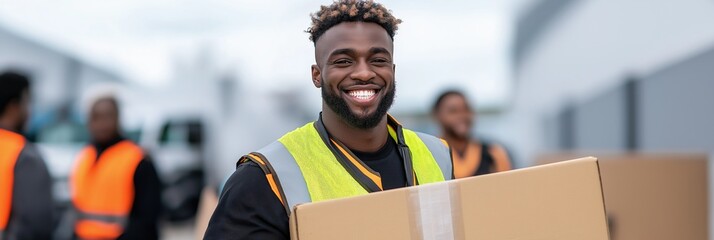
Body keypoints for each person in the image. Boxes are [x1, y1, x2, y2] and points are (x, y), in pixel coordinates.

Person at [205, 1, 453, 239]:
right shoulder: (264, 177)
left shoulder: (437, 155)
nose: (364, 72)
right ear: (317, 75)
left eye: (378, 60)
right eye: (343, 61)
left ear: (393, 70)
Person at [69, 96, 162, 240]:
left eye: (107, 117)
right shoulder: (84, 157)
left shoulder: (137, 159)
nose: (101, 124)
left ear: (118, 118)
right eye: (96, 117)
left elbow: (147, 221)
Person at [0, 71, 55, 239]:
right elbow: (37, 224)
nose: (29, 111)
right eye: (28, 102)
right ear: (14, 106)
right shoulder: (25, 155)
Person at [432, 90, 512, 178]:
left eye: (466, 109)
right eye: (453, 111)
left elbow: (508, 188)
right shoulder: (430, 155)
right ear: (437, 115)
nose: (462, 116)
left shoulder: (493, 153)